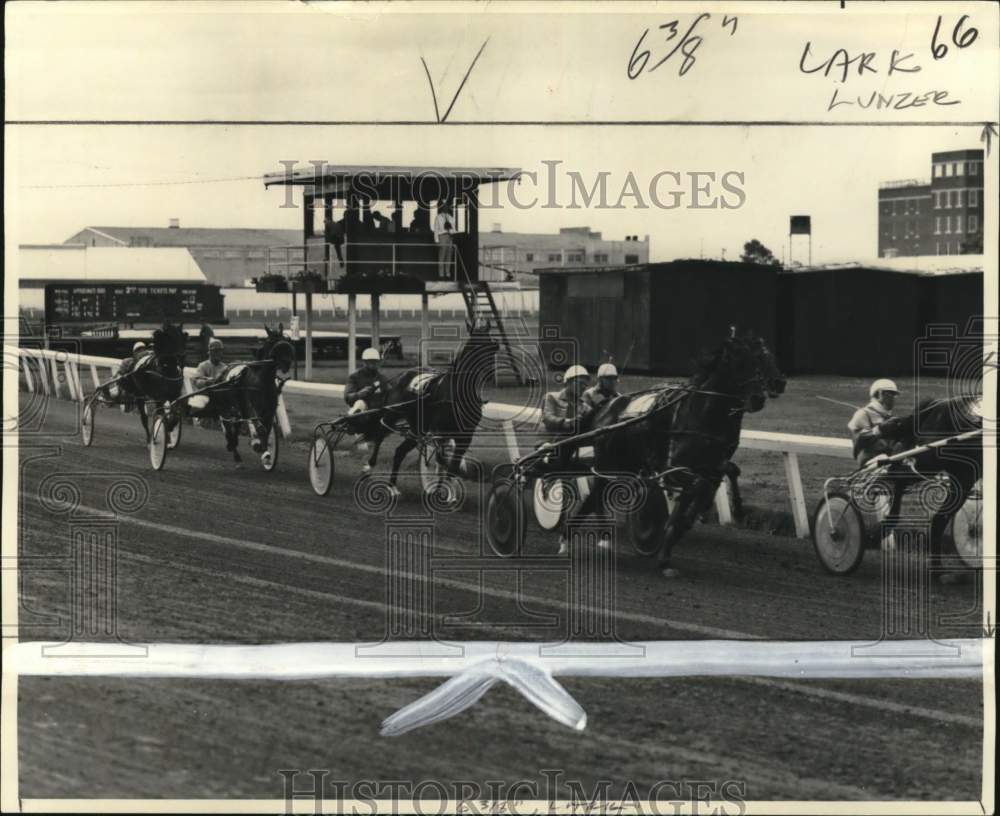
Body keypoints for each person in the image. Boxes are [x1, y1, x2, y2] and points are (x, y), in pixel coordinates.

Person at [847, 378, 899, 466]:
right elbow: (859, 440)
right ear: (879, 394)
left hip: (888, 458)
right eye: (889, 394)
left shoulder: (889, 416)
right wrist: (880, 428)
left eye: (894, 395)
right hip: (869, 459)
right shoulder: (863, 414)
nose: (892, 398)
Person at [188, 338, 228, 416]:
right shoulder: (203, 365)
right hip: (205, 396)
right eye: (215, 351)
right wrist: (207, 382)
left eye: (220, 351)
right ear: (210, 352)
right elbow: (196, 382)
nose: (218, 353)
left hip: (220, 397)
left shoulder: (225, 367)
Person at [434, 202, 456, 279]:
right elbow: (436, 229)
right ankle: (441, 274)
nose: (445, 208)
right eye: (444, 207)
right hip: (442, 236)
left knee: (449, 255)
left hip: (449, 236)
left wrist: (452, 232)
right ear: (442, 208)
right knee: (442, 255)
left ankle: (447, 273)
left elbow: (454, 228)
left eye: (447, 207)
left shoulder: (451, 217)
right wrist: (436, 240)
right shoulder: (438, 217)